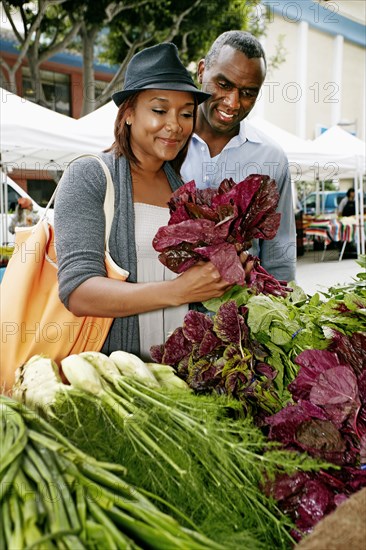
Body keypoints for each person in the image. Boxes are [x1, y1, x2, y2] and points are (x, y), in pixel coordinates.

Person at [54, 43, 243, 361]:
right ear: (128, 113)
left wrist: (225, 272)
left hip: (179, 376)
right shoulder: (90, 176)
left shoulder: (185, 192)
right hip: (120, 379)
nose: (175, 124)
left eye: (185, 113)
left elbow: (196, 285)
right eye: (159, 110)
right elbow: (78, 291)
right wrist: (179, 292)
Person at [181, 31, 296, 283]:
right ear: (201, 71)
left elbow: (279, 257)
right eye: (223, 85)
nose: (233, 103)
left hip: (239, 316)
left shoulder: (271, 157)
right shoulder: (167, 142)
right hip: (162, 310)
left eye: (248, 93)